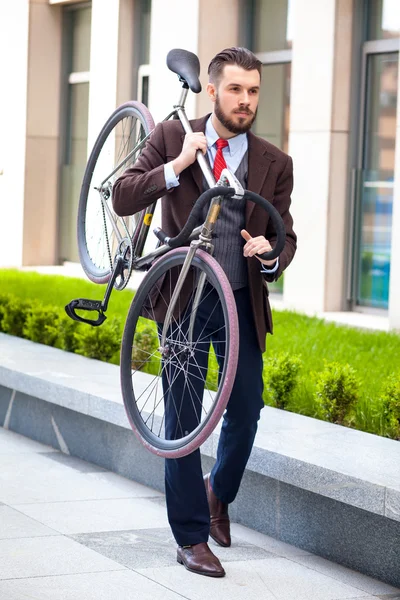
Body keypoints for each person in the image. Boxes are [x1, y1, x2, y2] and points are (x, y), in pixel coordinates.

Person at [113, 47, 297, 578]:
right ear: (212, 90)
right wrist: (176, 167)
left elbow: (286, 237)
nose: (246, 101)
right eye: (236, 89)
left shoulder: (274, 162)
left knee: (246, 408)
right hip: (185, 299)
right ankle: (190, 536)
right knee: (184, 418)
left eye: (254, 91)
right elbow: (122, 196)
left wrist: (269, 256)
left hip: (240, 299)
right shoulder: (174, 136)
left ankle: (219, 493)